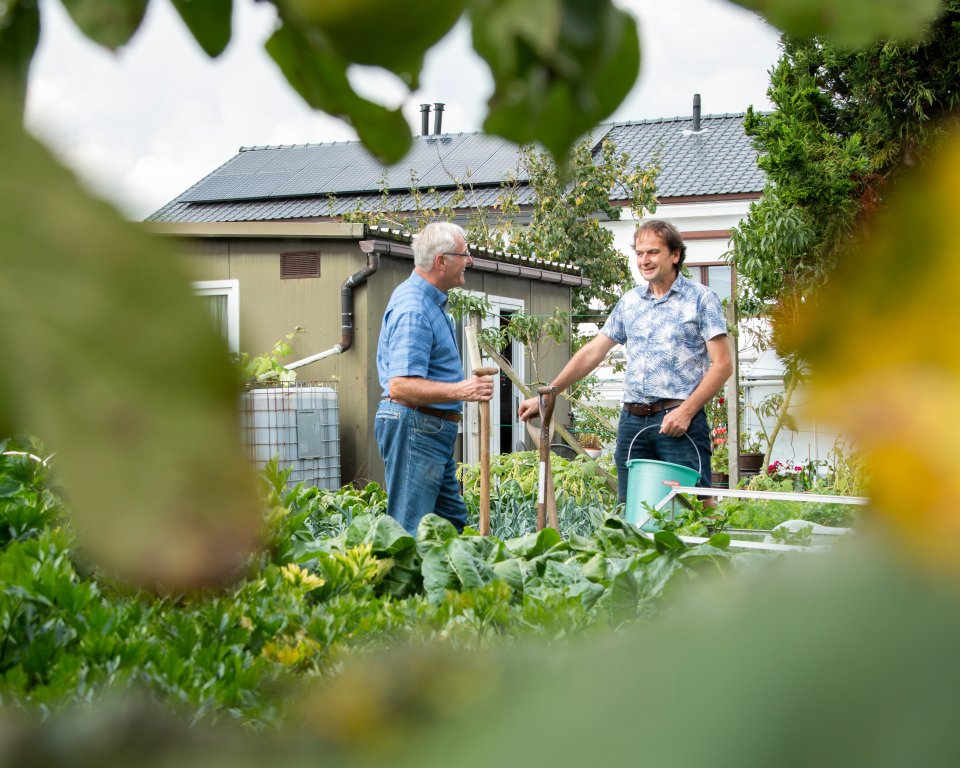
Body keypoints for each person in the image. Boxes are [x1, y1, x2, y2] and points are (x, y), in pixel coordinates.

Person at [518, 219, 732, 503]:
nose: (645, 260)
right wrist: (549, 394)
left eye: (653, 252)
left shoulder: (701, 299)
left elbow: (723, 364)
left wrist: (687, 412)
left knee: (693, 507)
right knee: (631, 510)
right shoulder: (630, 302)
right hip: (633, 422)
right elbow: (593, 352)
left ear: (675, 255)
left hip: (679, 421)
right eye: (640, 253)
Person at [375, 221, 494, 535]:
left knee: (450, 525)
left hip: (428, 428)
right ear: (442, 261)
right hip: (416, 426)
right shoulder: (413, 308)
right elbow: (399, 385)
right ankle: (402, 584)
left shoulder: (430, 302)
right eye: (463, 254)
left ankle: (446, 584)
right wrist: (463, 389)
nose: (468, 260)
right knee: (410, 528)